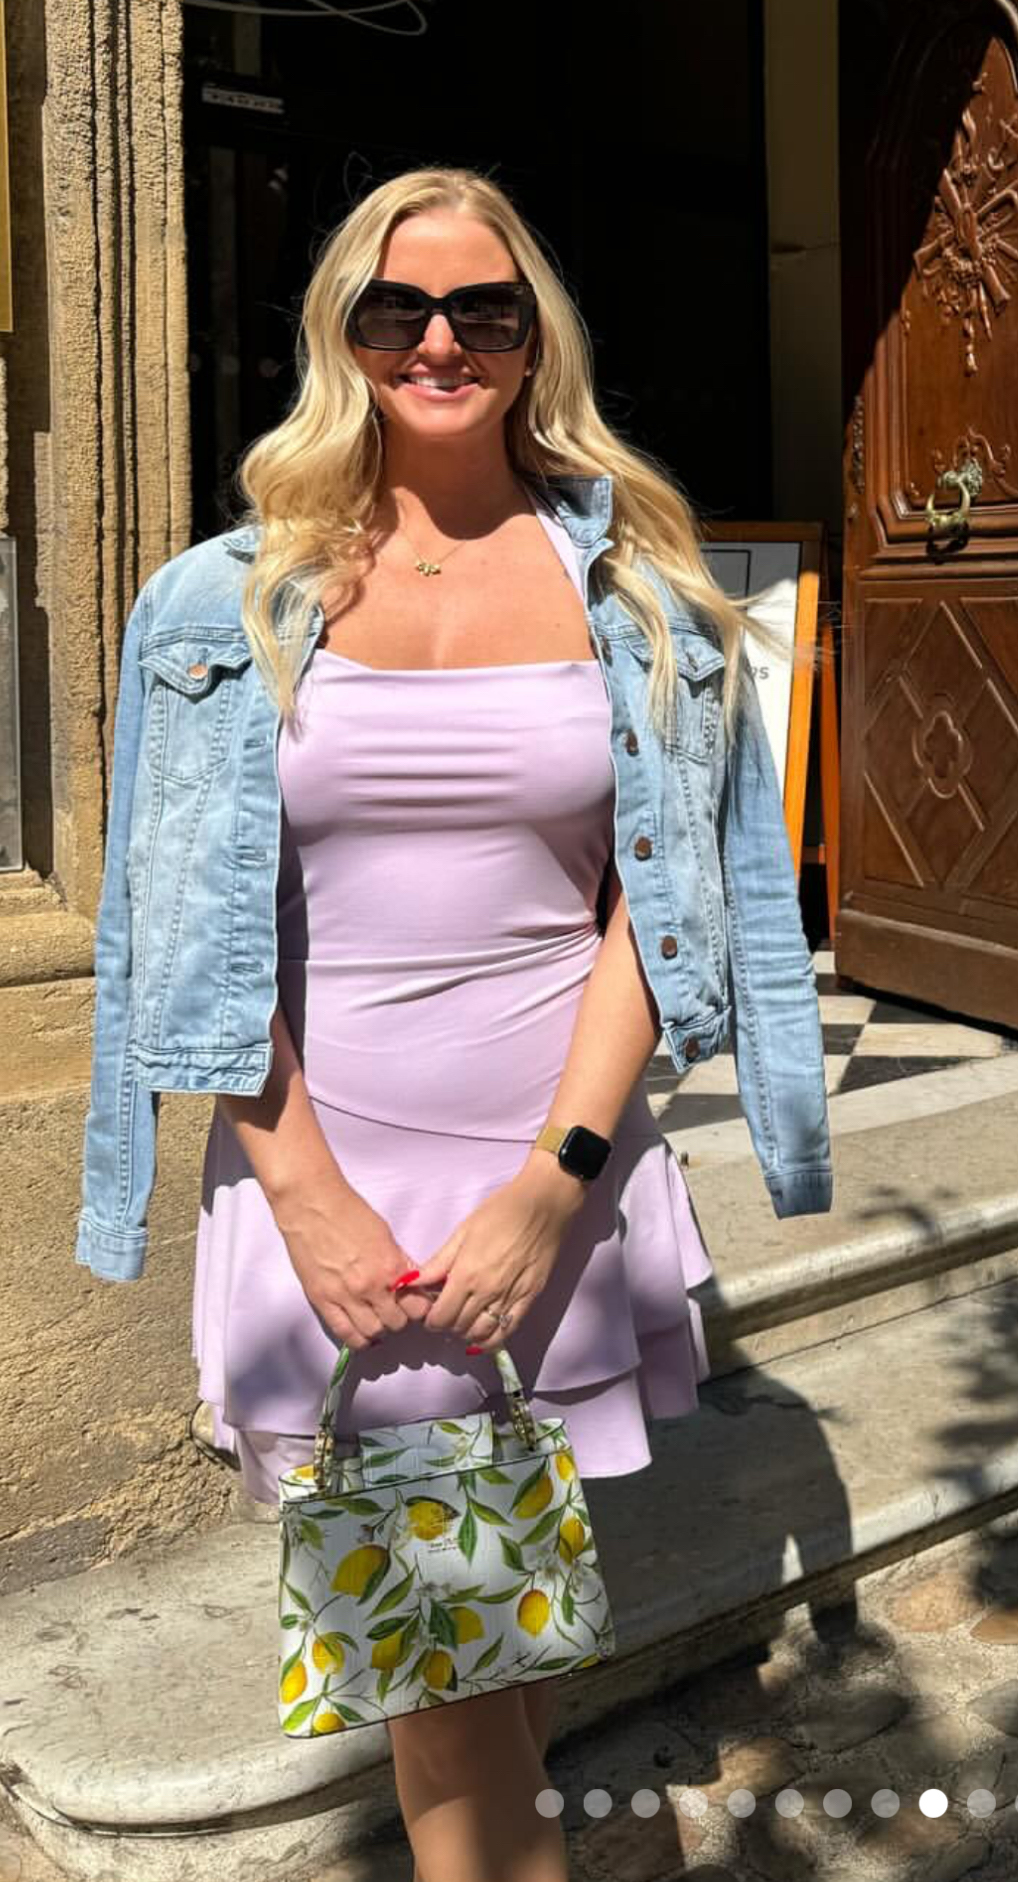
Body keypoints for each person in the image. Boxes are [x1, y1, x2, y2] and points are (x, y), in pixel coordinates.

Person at [75, 166, 832, 1882]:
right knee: (452, 1657)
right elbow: (187, 928)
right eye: (395, 309)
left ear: (531, 337)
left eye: (482, 308)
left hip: (553, 1166)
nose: (440, 341)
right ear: (338, 334)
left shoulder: (636, 589)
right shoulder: (215, 603)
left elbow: (657, 906)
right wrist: (304, 1193)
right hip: (329, 1179)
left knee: (494, 1630)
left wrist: (558, 1181)